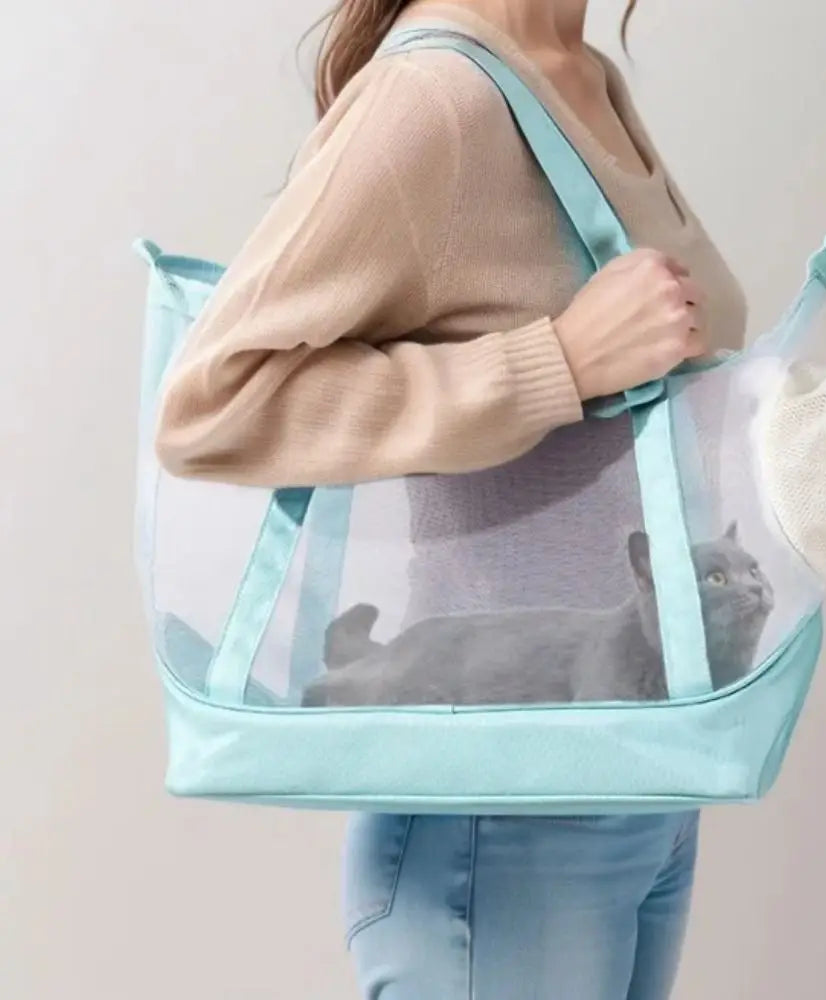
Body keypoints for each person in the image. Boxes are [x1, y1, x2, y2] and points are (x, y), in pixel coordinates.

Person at [155, 1, 747, 996]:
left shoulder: (581, 71)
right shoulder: (436, 96)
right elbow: (212, 404)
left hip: (638, 765)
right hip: (500, 809)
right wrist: (555, 363)